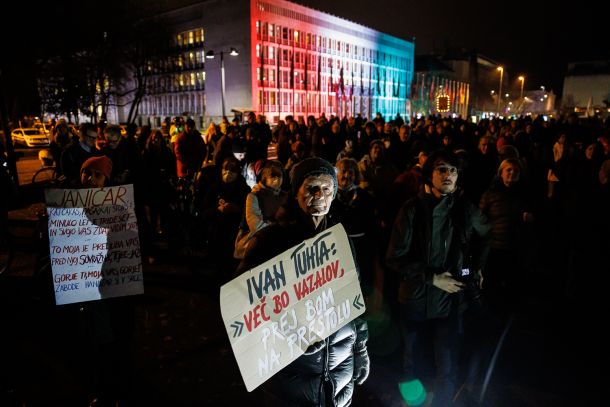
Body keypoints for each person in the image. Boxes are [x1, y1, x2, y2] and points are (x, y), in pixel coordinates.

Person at [237, 157, 370, 406]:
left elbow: (355, 297)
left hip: (339, 370)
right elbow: (245, 300)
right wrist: (292, 331)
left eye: (327, 188)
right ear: (296, 193)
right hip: (290, 373)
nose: (319, 195)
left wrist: (360, 349)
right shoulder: (270, 241)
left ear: (334, 194)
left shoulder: (342, 241)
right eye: (311, 188)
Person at [386, 149, 491, 407]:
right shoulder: (411, 210)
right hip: (416, 300)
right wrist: (431, 278)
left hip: (450, 303)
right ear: (429, 174)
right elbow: (394, 257)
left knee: (447, 364)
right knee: (413, 363)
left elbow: (488, 232)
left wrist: (477, 267)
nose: (448, 175)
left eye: (453, 170)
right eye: (441, 169)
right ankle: (413, 404)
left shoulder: (465, 209)